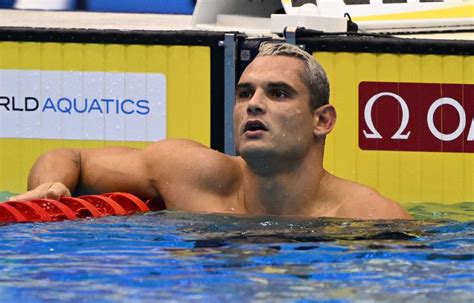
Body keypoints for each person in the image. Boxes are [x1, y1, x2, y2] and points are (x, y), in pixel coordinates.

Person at [11, 42, 411, 220]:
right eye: (244, 93)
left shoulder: (365, 217)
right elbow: (71, 158)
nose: (254, 104)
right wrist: (50, 188)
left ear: (322, 121)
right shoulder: (192, 175)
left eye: (278, 93)